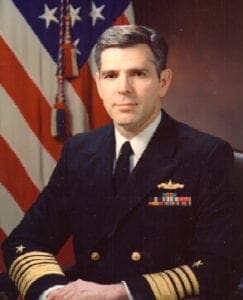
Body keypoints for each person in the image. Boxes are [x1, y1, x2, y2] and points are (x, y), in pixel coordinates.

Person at [2, 24, 241, 300]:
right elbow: (25, 240)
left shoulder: (205, 155)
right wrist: (53, 292)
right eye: (111, 75)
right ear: (99, 85)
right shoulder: (80, 152)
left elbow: (221, 264)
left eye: (138, 74)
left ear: (163, 82)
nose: (123, 89)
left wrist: (121, 292)